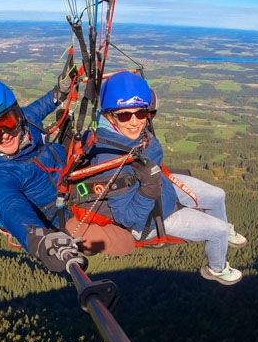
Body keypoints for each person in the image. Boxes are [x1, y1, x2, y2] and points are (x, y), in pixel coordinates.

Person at [87, 71, 247, 286]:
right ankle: (215, 269)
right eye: (125, 115)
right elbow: (127, 217)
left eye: (141, 113)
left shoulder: (133, 133)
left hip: (161, 187)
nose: (135, 122)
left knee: (218, 195)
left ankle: (224, 229)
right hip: (152, 219)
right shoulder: (108, 161)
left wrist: (152, 179)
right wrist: (149, 186)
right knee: (217, 231)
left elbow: (150, 154)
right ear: (109, 116)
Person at [0, 78, 86, 273]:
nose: (4, 134)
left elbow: (41, 106)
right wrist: (41, 241)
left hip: (69, 175)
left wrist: (59, 92)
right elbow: (8, 205)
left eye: (7, 123)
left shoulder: (26, 123)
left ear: (18, 116)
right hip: (62, 215)